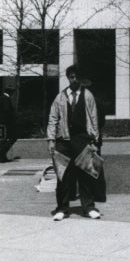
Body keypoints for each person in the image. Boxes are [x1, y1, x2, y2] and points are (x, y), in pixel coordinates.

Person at [47, 65, 102, 221]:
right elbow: (53, 119)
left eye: (77, 77)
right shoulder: (60, 97)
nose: (74, 79)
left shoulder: (88, 96)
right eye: (71, 76)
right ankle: (62, 208)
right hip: (63, 140)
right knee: (62, 175)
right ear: (68, 78)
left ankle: (89, 207)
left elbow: (94, 119)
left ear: (81, 79)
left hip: (82, 139)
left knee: (86, 174)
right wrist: (51, 140)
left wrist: (94, 140)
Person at [0, 85, 18, 164]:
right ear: (10, 92)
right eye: (13, 92)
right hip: (7, 122)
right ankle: (1, 151)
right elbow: (7, 111)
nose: (14, 94)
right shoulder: (7, 99)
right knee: (13, 137)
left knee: (3, 139)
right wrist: (14, 116)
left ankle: (2, 158)